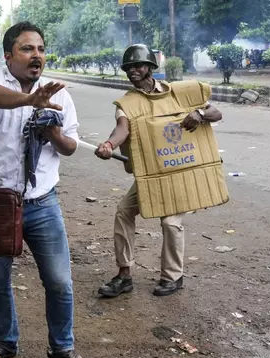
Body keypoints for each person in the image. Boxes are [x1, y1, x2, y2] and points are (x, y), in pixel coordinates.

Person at [0, 21, 87, 358]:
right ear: (8, 55)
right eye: (27, 49)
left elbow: (70, 146)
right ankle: (5, 342)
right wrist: (30, 100)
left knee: (59, 281)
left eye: (40, 49)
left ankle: (62, 347)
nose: (36, 56)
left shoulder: (60, 94)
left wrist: (52, 131)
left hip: (42, 203)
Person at [95, 44, 223, 297]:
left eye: (138, 65)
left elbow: (216, 112)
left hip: (179, 171)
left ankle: (173, 277)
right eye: (128, 67)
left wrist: (199, 113)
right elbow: (123, 129)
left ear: (151, 68)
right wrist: (110, 144)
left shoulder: (179, 93)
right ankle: (124, 275)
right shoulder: (127, 104)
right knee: (123, 211)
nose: (133, 70)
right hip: (151, 173)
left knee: (170, 221)